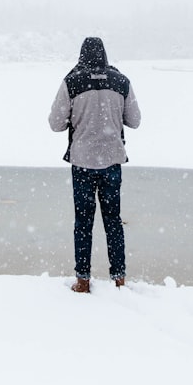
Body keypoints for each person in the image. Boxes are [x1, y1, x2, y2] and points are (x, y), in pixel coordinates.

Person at [48, 37, 141, 293]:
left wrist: (77, 119)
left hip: (82, 162)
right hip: (112, 161)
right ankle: (119, 279)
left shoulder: (72, 81)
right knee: (113, 220)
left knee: (83, 222)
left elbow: (55, 123)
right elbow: (135, 120)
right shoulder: (121, 81)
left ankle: (83, 280)